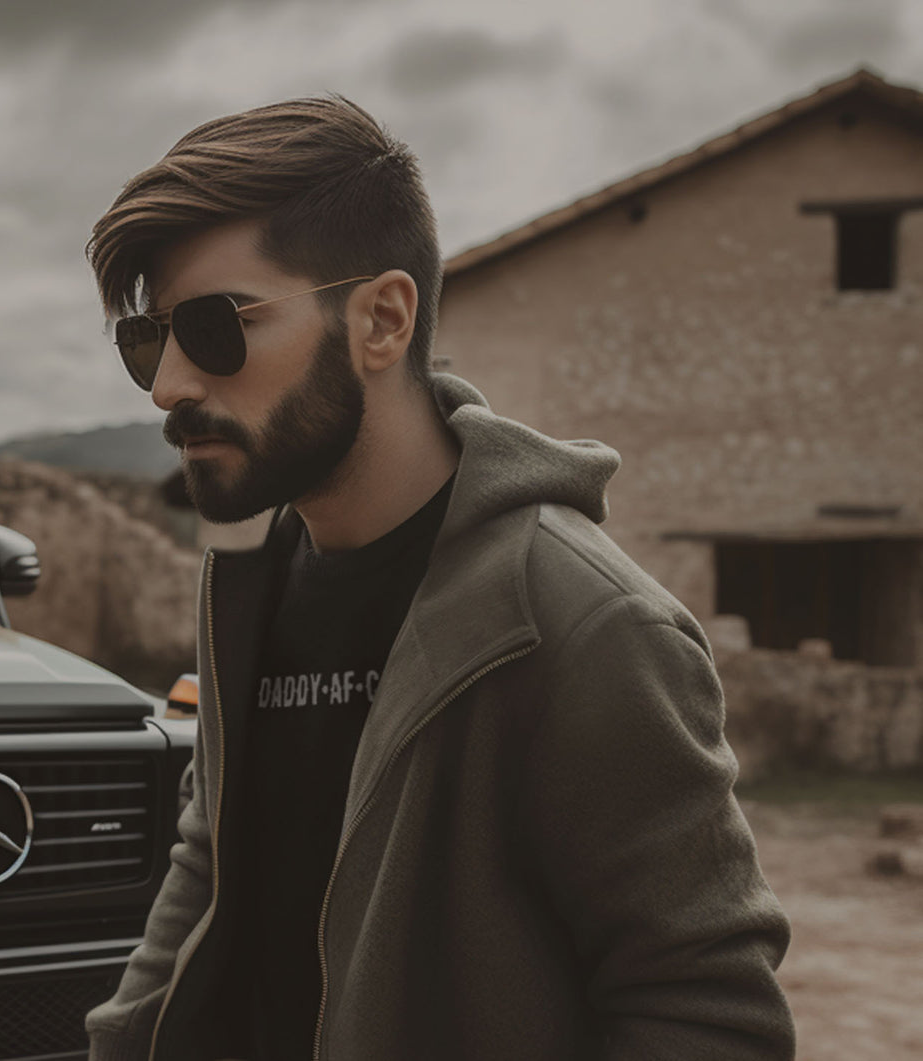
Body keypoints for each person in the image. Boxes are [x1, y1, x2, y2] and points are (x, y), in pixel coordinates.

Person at [82, 96, 794, 1061]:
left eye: (217, 324)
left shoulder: (580, 621)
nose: (168, 381)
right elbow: (210, 873)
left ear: (382, 318)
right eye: (148, 337)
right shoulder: (254, 588)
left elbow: (707, 1014)